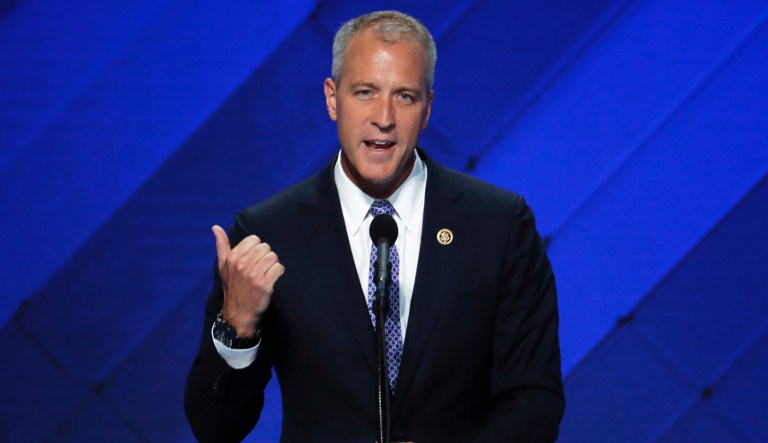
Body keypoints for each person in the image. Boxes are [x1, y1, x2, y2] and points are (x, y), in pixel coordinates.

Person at [185, 10, 564, 442]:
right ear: (332, 99)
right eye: (365, 92)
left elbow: (534, 399)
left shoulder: (498, 226)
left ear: (427, 108)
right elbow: (215, 428)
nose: (383, 117)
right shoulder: (269, 234)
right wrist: (237, 326)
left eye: (404, 96)